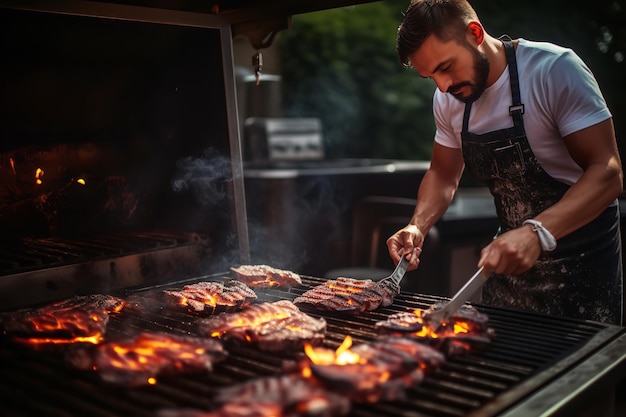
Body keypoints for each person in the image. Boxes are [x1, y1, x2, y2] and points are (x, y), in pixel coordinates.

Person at [387, 0, 624, 325]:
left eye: (446, 67)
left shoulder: (553, 70)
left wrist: (536, 232)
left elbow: (608, 172)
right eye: (431, 77)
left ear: (475, 33)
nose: (443, 87)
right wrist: (418, 225)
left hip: (583, 263)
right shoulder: (448, 99)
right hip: (505, 263)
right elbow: (443, 174)